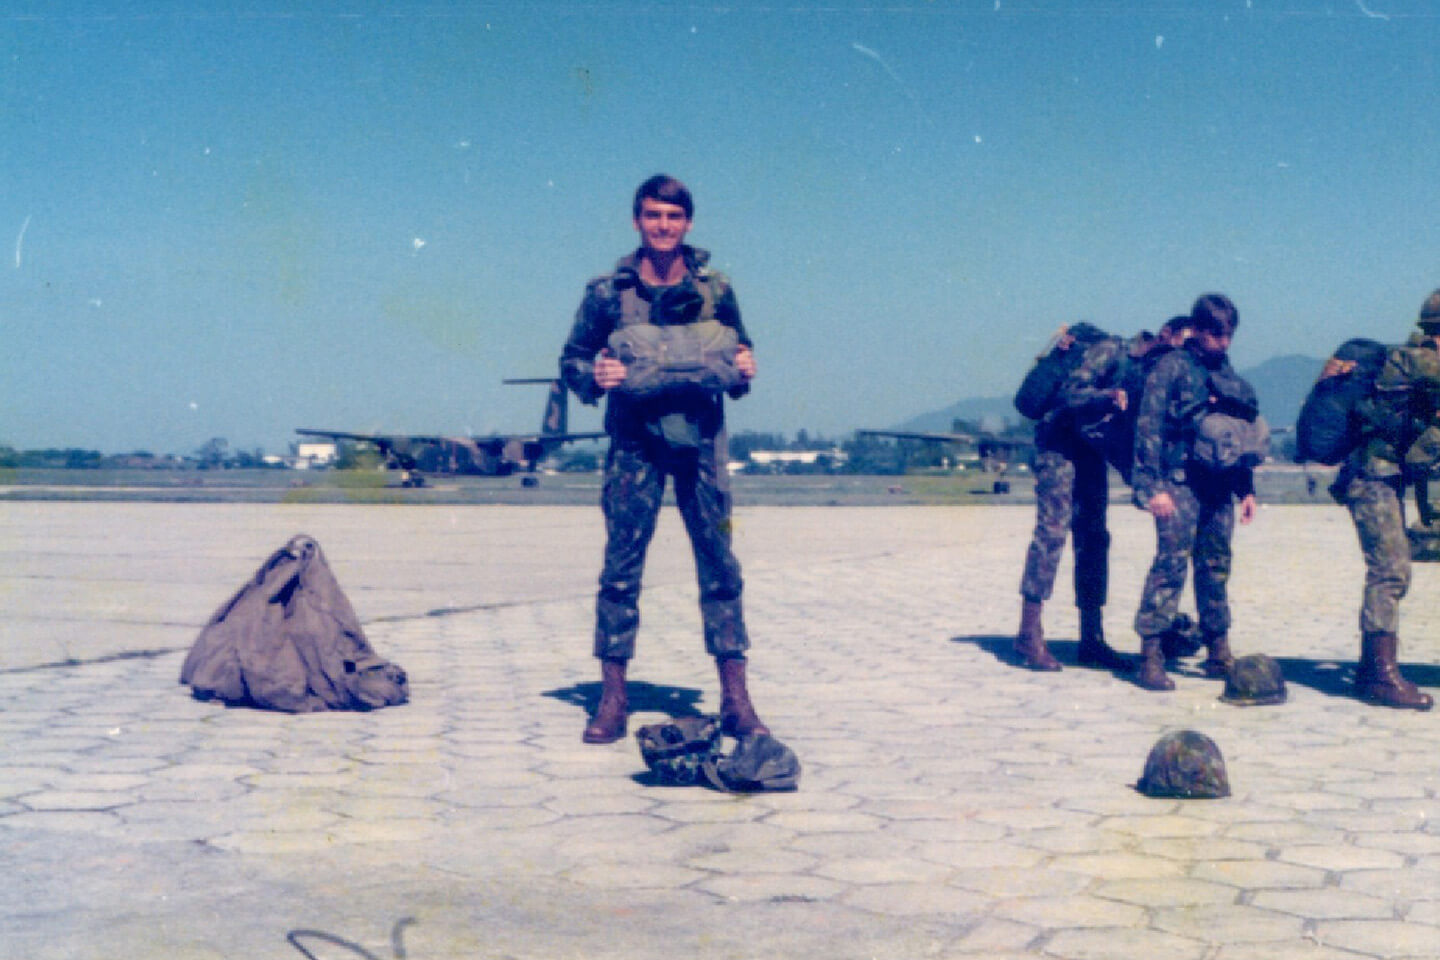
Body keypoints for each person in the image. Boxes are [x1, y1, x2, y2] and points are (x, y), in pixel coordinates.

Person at [558, 174, 768, 743]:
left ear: (688, 223)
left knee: (719, 563)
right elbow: (573, 359)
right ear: (637, 221)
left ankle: (736, 699)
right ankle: (613, 698)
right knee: (622, 567)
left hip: (702, 441)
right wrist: (594, 375)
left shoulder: (716, 289)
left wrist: (747, 369)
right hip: (635, 442)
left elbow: (740, 350)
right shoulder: (608, 294)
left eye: (673, 217)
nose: (663, 226)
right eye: (653, 215)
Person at [1131, 294, 1259, 691]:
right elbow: (1148, 429)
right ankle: (1151, 654)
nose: (1224, 342)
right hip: (1178, 482)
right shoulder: (1171, 367)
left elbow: (1235, 432)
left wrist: (1245, 488)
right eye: (1217, 334)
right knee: (1171, 565)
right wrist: (1152, 489)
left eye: (1229, 335)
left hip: (1218, 485)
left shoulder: (1224, 369)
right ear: (1198, 330)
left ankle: (1218, 650)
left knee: (1216, 566)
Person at [1328, 290, 1440, 710]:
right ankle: (1380, 675)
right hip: (1370, 478)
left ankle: (1369, 669)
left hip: (1382, 477)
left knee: (1390, 568)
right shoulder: (1418, 360)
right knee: (1390, 570)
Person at [1012, 323, 1131, 673]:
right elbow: (1069, 394)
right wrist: (1106, 397)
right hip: (1057, 445)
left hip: (1089, 448)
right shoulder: (1111, 350)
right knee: (1051, 533)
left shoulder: (1140, 365)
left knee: (1094, 538)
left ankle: (1092, 638)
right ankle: (1028, 633)